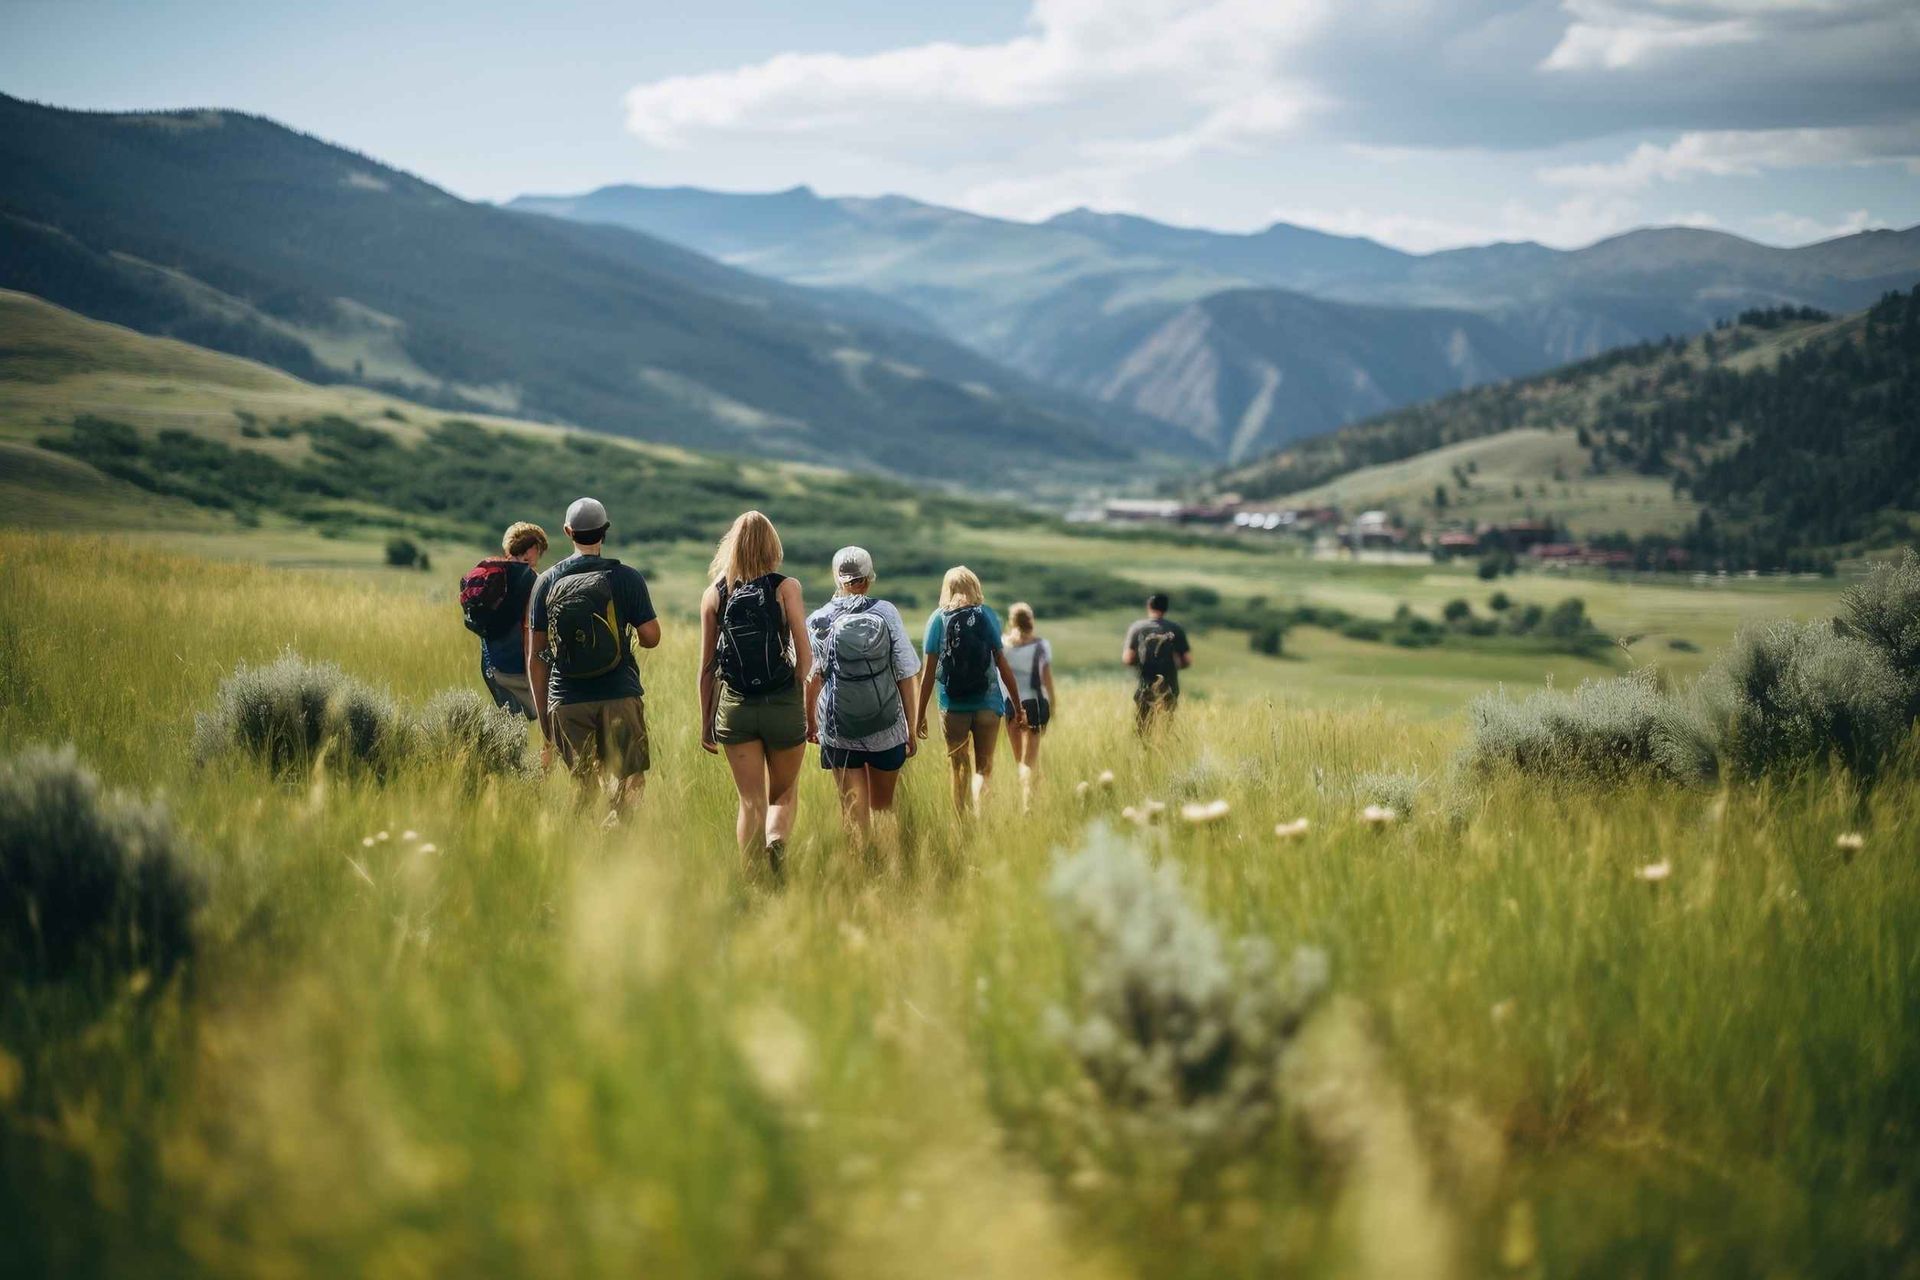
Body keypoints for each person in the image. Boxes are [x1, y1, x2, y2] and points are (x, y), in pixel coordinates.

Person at [526, 497, 660, 817]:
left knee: (584, 785)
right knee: (630, 779)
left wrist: (545, 715)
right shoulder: (626, 577)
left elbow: (536, 656)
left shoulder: (546, 582)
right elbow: (652, 638)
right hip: (619, 694)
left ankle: (578, 847)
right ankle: (619, 838)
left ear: (567, 532)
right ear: (605, 531)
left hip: (567, 699)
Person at [698, 511, 812, 878]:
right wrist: (794, 688)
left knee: (750, 801)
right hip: (782, 705)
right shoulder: (786, 588)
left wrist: (707, 723)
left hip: (735, 708)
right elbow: (805, 654)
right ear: (771, 545)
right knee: (783, 793)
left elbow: (706, 668)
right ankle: (776, 844)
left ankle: (752, 879)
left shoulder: (714, 594)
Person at [805, 546, 920, 849]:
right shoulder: (886, 612)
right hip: (887, 727)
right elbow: (906, 672)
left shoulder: (818, 620)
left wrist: (811, 724)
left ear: (836, 578)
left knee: (851, 813)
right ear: (869, 578)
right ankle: (889, 873)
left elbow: (812, 680)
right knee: (883, 808)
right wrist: (911, 725)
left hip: (839, 730)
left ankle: (859, 876)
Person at [916, 566, 1025, 816]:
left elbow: (928, 673)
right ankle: (982, 817)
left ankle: (962, 826)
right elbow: (1002, 664)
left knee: (959, 767)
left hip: (953, 706)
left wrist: (920, 715)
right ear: (975, 586)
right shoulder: (987, 616)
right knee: (984, 768)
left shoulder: (937, 619)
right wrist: (1018, 706)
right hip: (988, 704)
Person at [461, 522, 547, 718]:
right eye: (539, 550)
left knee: (509, 723)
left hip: (492, 665)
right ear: (531, 548)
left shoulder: (494, 574)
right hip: (521, 666)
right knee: (549, 716)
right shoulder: (532, 579)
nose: (539, 556)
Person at [1002, 601, 1055, 812]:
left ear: (1011, 622)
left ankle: (1029, 796)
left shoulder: (1003, 645)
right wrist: (1054, 703)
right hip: (1035, 702)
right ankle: (1028, 805)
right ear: (1031, 621)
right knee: (1031, 758)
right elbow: (1046, 678)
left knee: (1020, 761)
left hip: (1011, 704)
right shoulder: (1042, 646)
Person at [1122, 592, 1191, 732]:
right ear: (1165, 609)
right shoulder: (1176, 629)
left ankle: (1144, 751)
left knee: (1143, 727)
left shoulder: (1137, 628)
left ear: (1149, 606)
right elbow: (1187, 660)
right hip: (1169, 685)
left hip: (1144, 683)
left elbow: (1127, 658)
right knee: (1166, 726)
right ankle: (1165, 750)